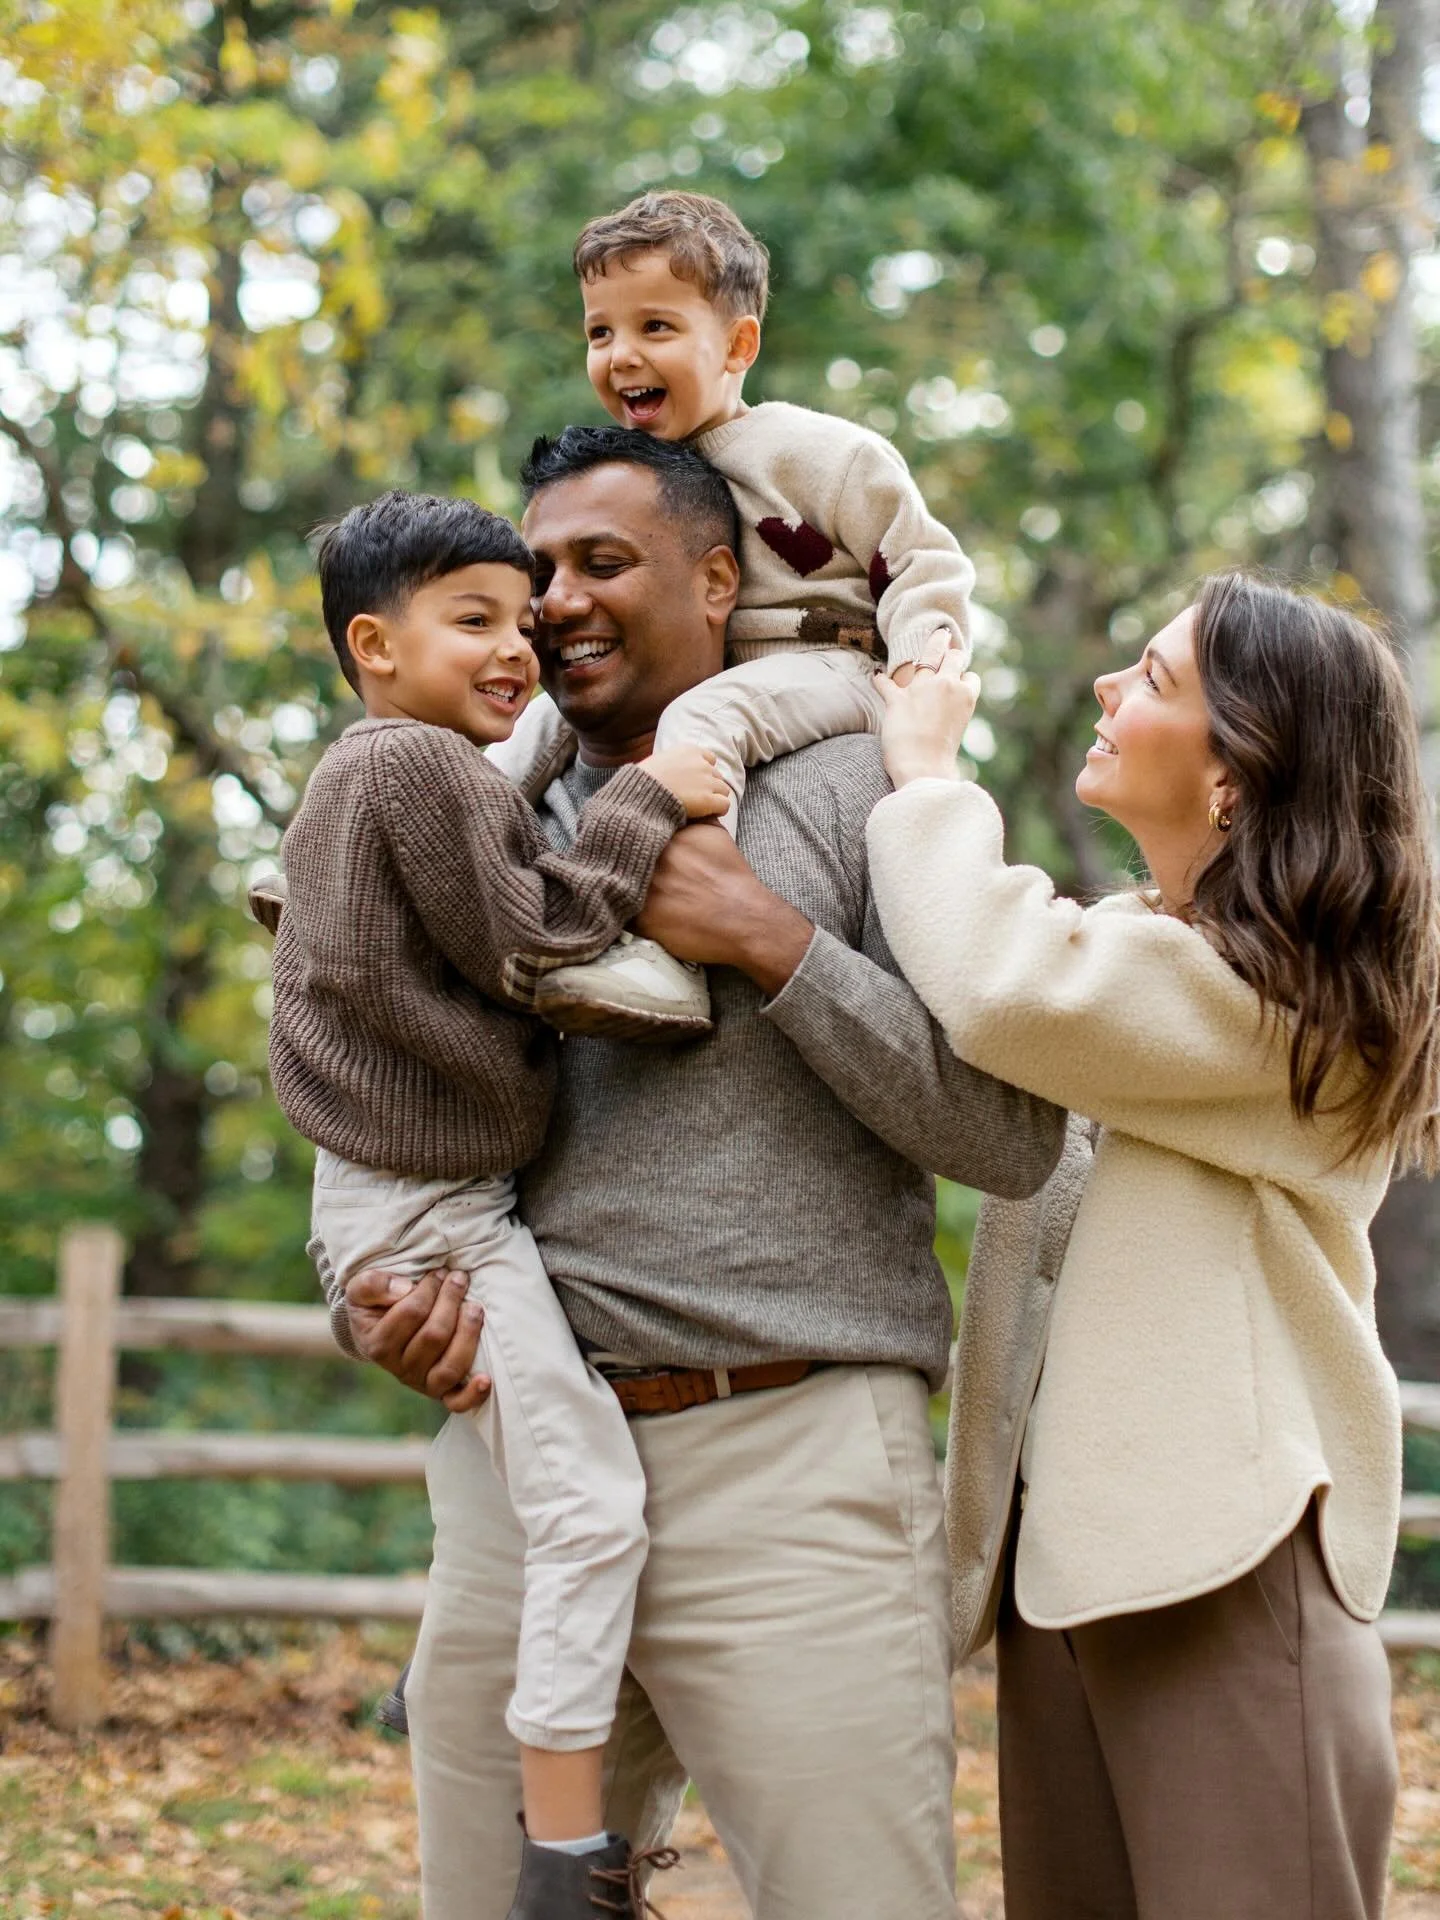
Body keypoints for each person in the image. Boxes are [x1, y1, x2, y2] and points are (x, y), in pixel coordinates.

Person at [328, 426, 1066, 1920]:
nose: (557, 600)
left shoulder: (871, 788)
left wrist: (776, 944)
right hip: (521, 1472)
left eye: (604, 562)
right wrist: (367, 1303)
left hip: (792, 1468)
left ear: (719, 578)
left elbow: (1011, 1139)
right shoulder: (463, 800)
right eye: (534, 571)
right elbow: (364, 1090)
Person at [864, 573, 1440, 1919]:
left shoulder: (1295, 1010)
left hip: (1222, 1565)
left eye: (1155, 678)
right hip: (1070, 1574)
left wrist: (925, 774)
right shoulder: (1142, 959)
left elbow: (999, 984)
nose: (1114, 694)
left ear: (1237, 769)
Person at [266, 488, 733, 1919]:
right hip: (436, 1219)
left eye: (520, 621)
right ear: (373, 644)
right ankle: (560, 1852)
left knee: (559, 1500)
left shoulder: (376, 768)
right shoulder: (422, 769)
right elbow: (543, 935)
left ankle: (498, 1732)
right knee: (590, 1508)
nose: (517, 647)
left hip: (409, 1203)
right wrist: (654, 794)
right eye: (473, 619)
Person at [488, 190, 975, 1040]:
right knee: (532, 729)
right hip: (734, 682)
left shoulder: (815, 452)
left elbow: (921, 560)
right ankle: (404, 863)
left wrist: (921, 674)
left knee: (702, 713)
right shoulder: (636, 475)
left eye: (656, 328)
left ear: (739, 344)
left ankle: (669, 949)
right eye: (601, 332)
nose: (621, 355)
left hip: (833, 666)